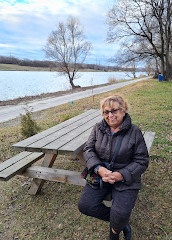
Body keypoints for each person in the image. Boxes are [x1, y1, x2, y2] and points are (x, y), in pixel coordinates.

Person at [78, 95, 149, 240]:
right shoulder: (98, 128)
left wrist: (121, 175)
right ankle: (121, 223)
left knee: (121, 213)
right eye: (106, 112)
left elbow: (142, 160)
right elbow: (88, 150)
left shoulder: (134, 132)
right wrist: (98, 168)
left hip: (126, 177)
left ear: (123, 111)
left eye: (114, 111)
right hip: (101, 175)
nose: (110, 115)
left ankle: (115, 232)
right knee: (85, 205)